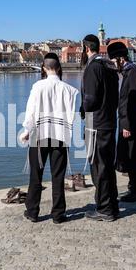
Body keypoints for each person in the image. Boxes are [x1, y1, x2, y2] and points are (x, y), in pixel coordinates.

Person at [20, 53, 79, 224]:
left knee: (36, 176)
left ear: (44, 68)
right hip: (60, 137)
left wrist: (26, 131)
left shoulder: (37, 87)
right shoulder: (70, 90)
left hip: (39, 136)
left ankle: (32, 212)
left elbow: (30, 112)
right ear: (59, 68)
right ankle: (58, 214)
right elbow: (71, 118)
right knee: (58, 176)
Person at [80, 35, 120, 222]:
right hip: (109, 121)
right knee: (107, 165)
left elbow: (91, 98)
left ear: (86, 48)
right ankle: (112, 204)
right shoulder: (108, 66)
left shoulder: (93, 67)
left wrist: (83, 109)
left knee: (99, 167)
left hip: (96, 124)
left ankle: (104, 209)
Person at [108, 41, 136, 202]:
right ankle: (135, 189)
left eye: (113, 61)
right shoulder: (131, 71)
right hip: (132, 120)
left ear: (119, 58)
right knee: (132, 155)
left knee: (133, 155)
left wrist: (126, 124)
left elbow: (132, 102)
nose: (113, 65)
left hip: (132, 122)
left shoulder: (132, 73)